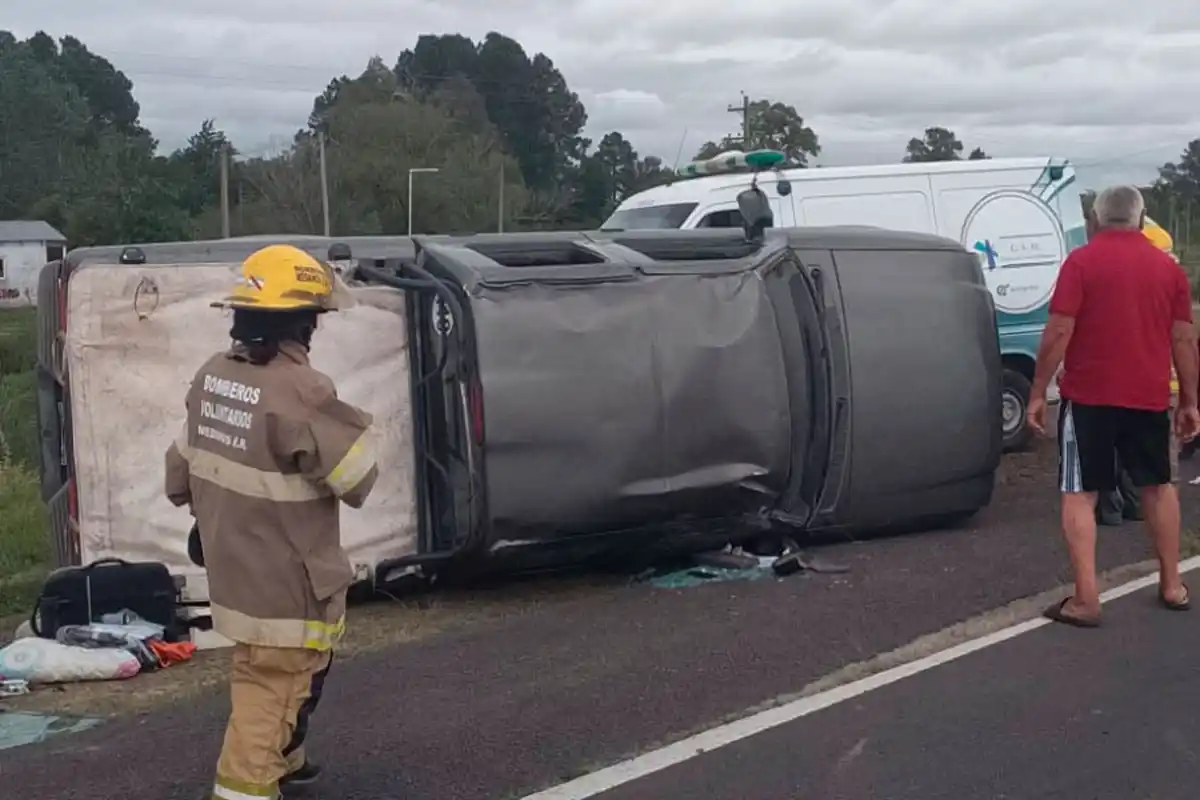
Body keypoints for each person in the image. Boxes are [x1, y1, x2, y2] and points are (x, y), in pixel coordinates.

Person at [164, 243, 379, 798]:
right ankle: (247, 786)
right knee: (273, 685)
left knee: (292, 669)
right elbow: (357, 478)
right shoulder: (302, 389)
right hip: (289, 581)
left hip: (235, 571)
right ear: (303, 323)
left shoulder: (211, 375)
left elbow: (178, 477)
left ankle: (288, 755)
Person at [1026, 185, 1200, 628]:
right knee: (1158, 486)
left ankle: (1086, 600)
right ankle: (1172, 584)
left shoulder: (1081, 262)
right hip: (1148, 396)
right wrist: (1190, 401)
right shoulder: (1169, 270)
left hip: (1088, 398)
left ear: (1095, 221)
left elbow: (1059, 331)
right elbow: (1183, 339)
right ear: (1141, 220)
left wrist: (1037, 390)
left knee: (1079, 493)